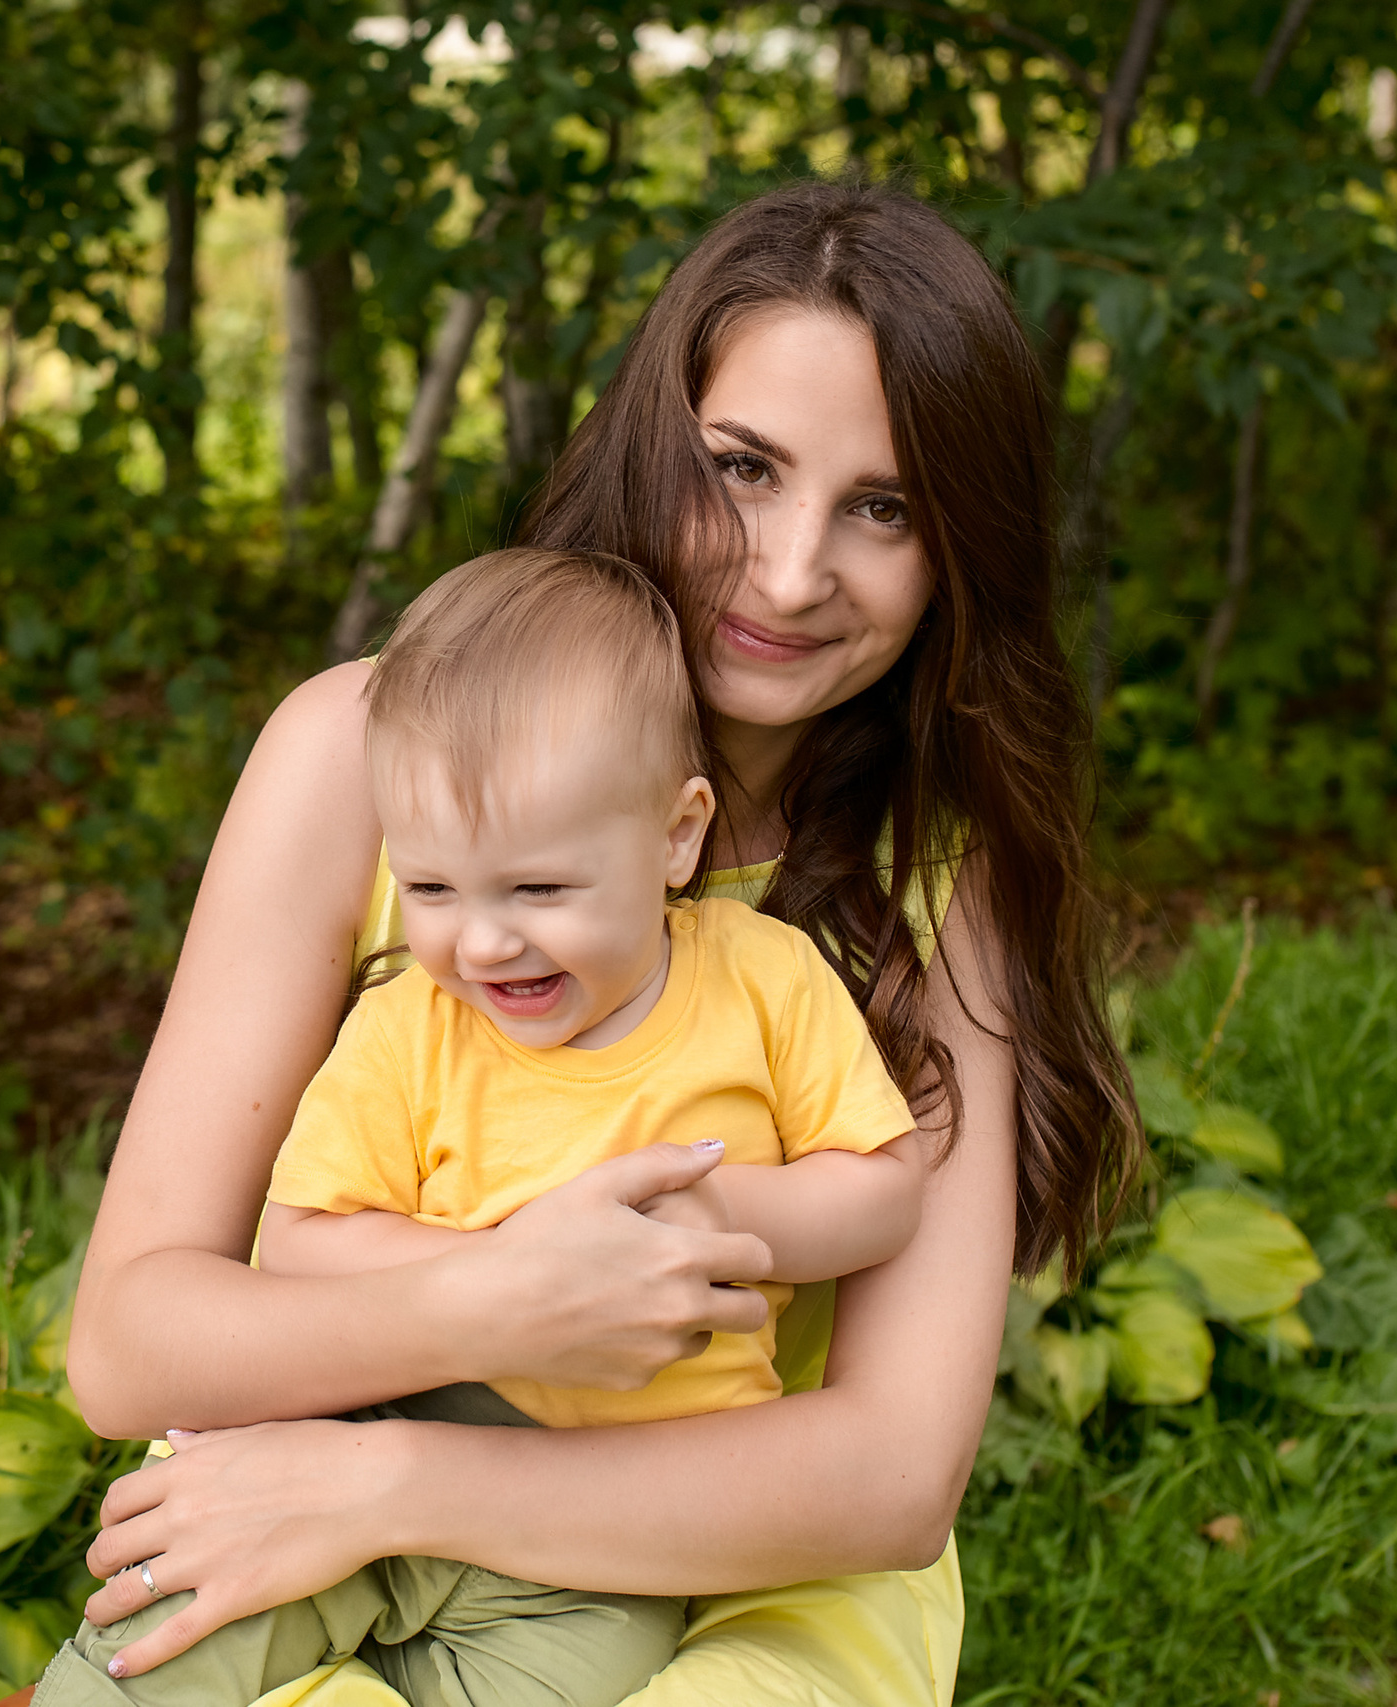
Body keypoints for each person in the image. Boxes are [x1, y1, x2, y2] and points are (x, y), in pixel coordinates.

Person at [60, 179, 1140, 1707]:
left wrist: (400, 1488)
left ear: (961, 546)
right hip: (331, 1492)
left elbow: (891, 1474)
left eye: (881, 506)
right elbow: (130, 1342)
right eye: (743, 469)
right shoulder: (357, 758)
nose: (788, 572)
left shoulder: (937, 881)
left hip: (748, 1553)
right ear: (654, 439)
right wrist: (491, 1307)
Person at [37, 547, 929, 1706]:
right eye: (435, 890)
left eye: (539, 891)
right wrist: (515, 1282)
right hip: (375, 1408)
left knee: (563, 1683)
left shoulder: (765, 981)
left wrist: (719, 1220)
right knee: (159, 1647)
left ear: (676, 834)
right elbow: (306, 1239)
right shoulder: (411, 1024)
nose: (484, 943)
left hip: (619, 1503)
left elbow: (883, 1187)